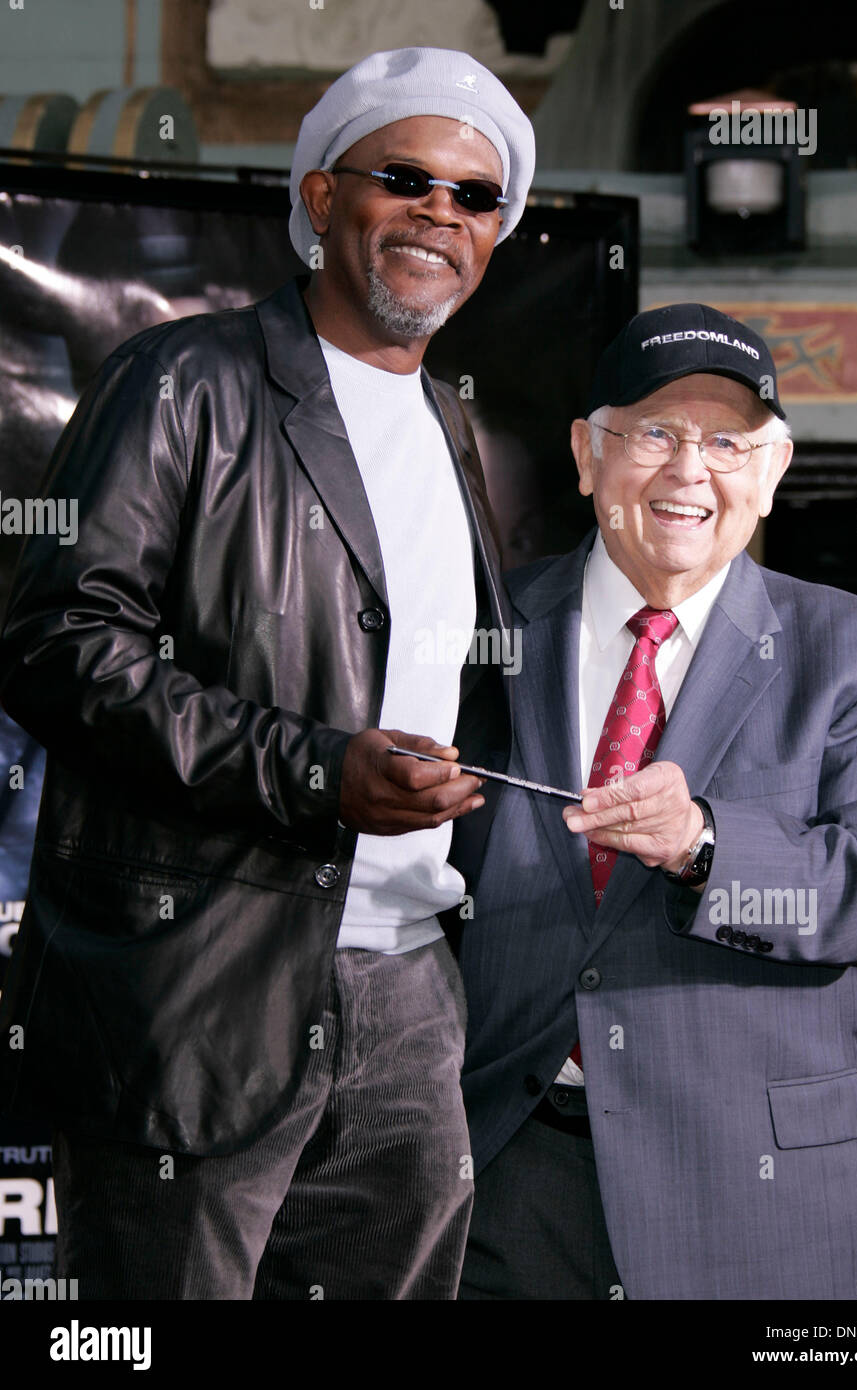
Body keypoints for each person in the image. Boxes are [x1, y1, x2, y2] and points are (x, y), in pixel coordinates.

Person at [0, 46, 534, 1300]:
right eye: (402, 177)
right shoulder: (182, 379)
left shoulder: (452, 422)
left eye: (474, 196)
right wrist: (308, 770)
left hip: (407, 985)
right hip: (202, 984)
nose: (438, 214)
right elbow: (59, 637)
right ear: (318, 198)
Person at [456, 303, 857, 1301]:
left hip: (758, 1197)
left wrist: (704, 845)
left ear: (771, 469)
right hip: (502, 1179)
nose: (689, 470)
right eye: (655, 433)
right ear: (588, 453)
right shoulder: (474, 634)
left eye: (728, 441)